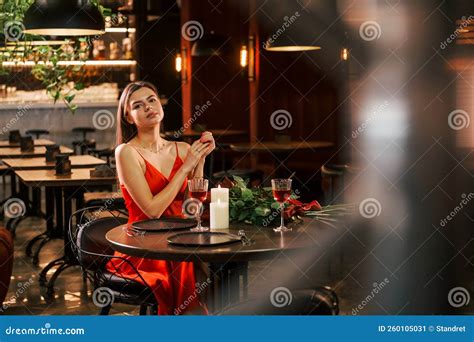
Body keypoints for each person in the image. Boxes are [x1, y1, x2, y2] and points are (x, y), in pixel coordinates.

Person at [106, 81, 215, 315]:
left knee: (210, 263)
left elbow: (191, 211)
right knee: (191, 265)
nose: (148, 107)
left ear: (161, 105)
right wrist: (186, 168)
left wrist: (200, 161)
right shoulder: (126, 152)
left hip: (180, 239)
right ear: (128, 117)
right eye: (138, 105)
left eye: (152, 100)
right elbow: (152, 211)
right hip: (144, 246)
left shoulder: (182, 149)